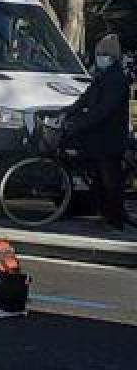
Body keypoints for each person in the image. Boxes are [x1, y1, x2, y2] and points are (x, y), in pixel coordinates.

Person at [62, 33, 133, 231]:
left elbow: (103, 110)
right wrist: (67, 112)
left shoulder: (116, 79)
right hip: (98, 137)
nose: (100, 57)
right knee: (100, 178)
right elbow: (85, 98)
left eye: (104, 54)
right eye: (99, 53)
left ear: (113, 57)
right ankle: (105, 214)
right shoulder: (102, 76)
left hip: (110, 138)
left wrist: (79, 124)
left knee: (110, 180)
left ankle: (114, 219)